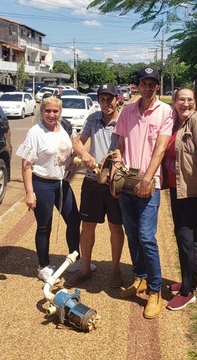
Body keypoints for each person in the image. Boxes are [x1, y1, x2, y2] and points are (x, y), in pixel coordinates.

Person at [114, 67, 174, 319]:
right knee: (131, 234)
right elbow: (119, 144)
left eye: (152, 84)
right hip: (127, 182)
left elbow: (160, 149)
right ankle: (139, 277)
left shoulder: (165, 112)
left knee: (147, 237)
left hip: (150, 183)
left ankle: (155, 291)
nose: (147, 88)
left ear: (157, 87)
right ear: (137, 85)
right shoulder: (127, 111)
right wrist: (116, 166)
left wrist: (147, 180)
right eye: (143, 83)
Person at [163, 88, 197, 311]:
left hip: (195, 192)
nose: (185, 103)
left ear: (195, 102)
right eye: (181, 99)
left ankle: (187, 292)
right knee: (187, 238)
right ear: (174, 102)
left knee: (186, 237)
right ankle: (192, 280)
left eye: (190, 99)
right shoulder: (176, 122)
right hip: (178, 189)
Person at [65, 83, 125, 288]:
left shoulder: (124, 119)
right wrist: (86, 156)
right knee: (87, 227)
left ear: (118, 99)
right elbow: (78, 143)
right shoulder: (93, 119)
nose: (107, 103)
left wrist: (117, 161)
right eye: (103, 99)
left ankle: (115, 270)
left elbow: (124, 147)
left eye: (110, 99)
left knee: (116, 228)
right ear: (98, 100)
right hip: (92, 181)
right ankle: (84, 269)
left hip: (115, 183)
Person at [16, 95, 81, 282]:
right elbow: (26, 164)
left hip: (62, 183)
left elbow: (71, 151)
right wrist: (29, 192)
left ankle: (75, 258)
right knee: (45, 226)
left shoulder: (65, 128)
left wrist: (72, 166)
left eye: (55, 111)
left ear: (60, 112)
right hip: (42, 183)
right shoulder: (35, 132)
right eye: (48, 111)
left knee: (74, 220)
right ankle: (43, 266)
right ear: (41, 111)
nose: (51, 115)